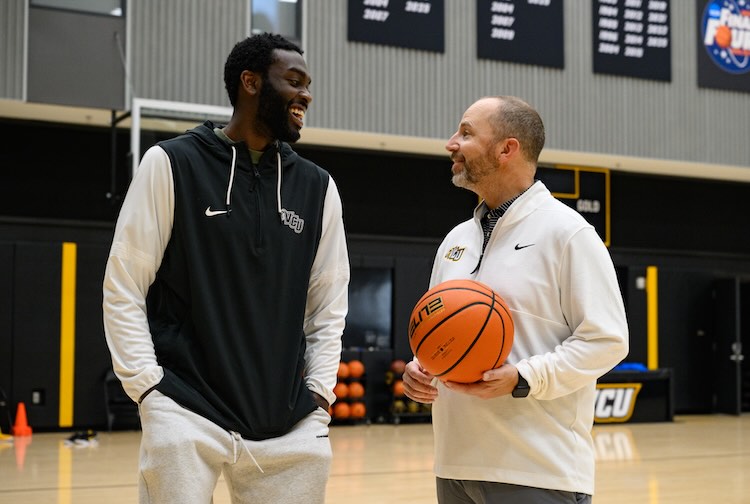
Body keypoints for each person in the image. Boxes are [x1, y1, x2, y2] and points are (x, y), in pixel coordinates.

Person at [102, 33, 350, 504]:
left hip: (288, 419)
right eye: (293, 81)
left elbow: (328, 304)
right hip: (185, 407)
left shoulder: (319, 188)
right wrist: (148, 390)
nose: (306, 95)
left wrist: (319, 396)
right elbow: (123, 286)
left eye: (308, 84)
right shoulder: (171, 163)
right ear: (250, 82)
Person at [402, 96, 629, 504]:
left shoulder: (569, 234)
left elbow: (607, 339)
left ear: (507, 149)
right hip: (454, 466)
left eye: (466, 133)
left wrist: (524, 377)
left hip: (537, 470)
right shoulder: (455, 240)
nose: (451, 143)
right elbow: (444, 333)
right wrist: (423, 367)